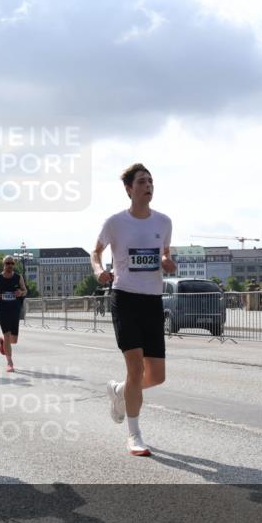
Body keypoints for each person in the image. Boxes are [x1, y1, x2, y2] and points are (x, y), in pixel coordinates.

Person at [92, 163, 174, 456]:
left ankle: (119, 391)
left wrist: (167, 262)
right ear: (129, 189)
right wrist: (99, 270)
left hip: (152, 300)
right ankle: (134, 435)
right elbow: (96, 251)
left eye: (150, 181)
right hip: (125, 298)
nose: (148, 185)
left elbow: (165, 254)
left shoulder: (164, 222)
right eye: (141, 181)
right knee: (136, 369)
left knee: (157, 376)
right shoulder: (115, 222)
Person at [0, 256, 27, 372]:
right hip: (2, 310)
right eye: (7, 263)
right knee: (7, 335)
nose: (10, 265)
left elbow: (25, 290)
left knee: (13, 340)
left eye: (12, 263)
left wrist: (21, 293)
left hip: (15, 309)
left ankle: (4, 343)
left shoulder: (18, 277)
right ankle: (10, 363)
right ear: (3, 264)